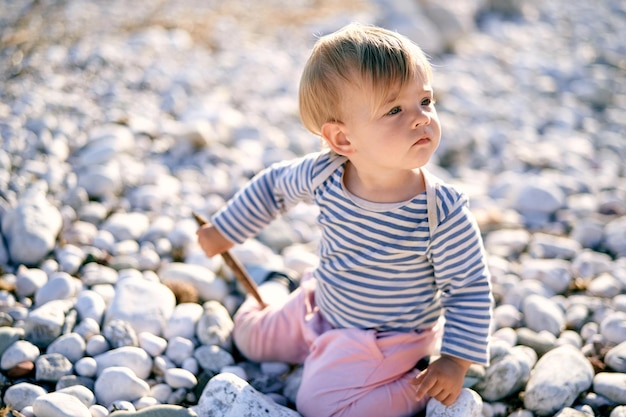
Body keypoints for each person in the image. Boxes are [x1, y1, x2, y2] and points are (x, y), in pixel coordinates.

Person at [197, 22, 492, 417]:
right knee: (248, 338)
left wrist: (455, 362)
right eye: (394, 109)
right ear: (342, 140)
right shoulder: (326, 173)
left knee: (320, 405)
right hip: (321, 306)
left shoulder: (441, 211)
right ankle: (280, 294)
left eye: (425, 101)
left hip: (386, 339)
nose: (421, 118)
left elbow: (469, 287)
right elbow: (273, 188)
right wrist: (224, 230)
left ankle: (415, 385)